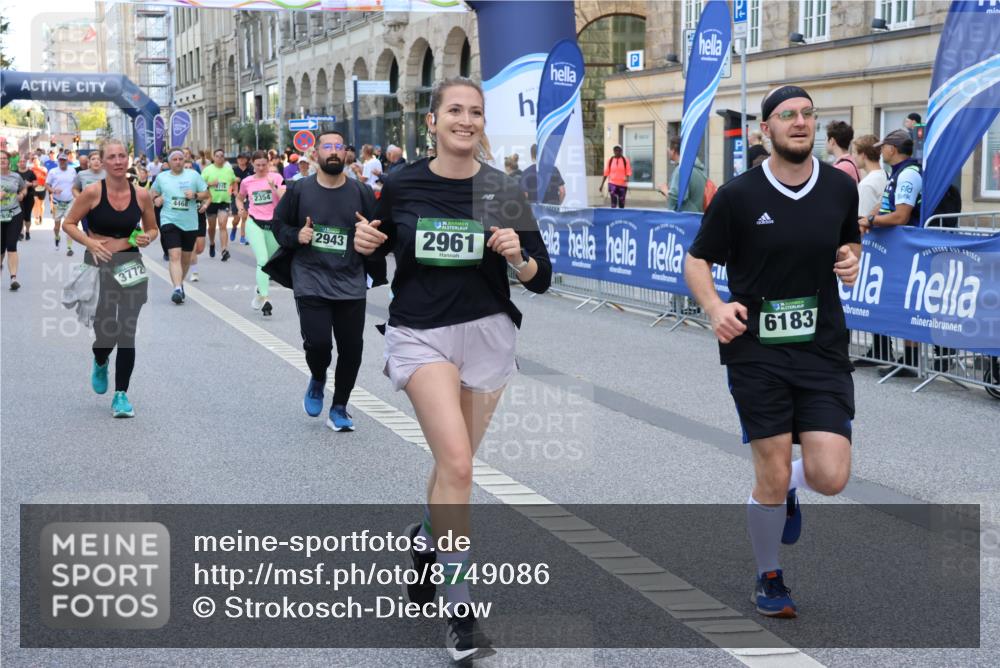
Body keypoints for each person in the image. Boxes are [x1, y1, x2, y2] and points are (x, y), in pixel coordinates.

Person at [354, 76, 552, 661]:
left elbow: (542, 275)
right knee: (460, 464)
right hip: (420, 334)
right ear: (433, 121)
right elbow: (375, 248)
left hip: (489, 333)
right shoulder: (400, 182)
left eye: (476, 112)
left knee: (452, 468)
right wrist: (364, 244)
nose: (466, 120)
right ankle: (460, 610)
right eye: (455, 111)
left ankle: (425, 539)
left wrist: (518, 256)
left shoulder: (503, 187)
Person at [684, 85, 861, 620]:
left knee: (831, 476)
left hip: (822, 345)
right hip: (756, 349)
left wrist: (851, 258)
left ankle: (787, 489)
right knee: (771, 467)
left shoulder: (838, 187)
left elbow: (848, 243)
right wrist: (715, 307)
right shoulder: (738, 196)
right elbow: (697, 262)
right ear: (767, 130)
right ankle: (769, 576)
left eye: (808, 115)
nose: (800, 122)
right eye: (788, 115)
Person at [271, 131, 379, 431]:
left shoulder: (361, 193)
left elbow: (382, 232)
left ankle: (340, 407)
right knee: (318, 344)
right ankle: (318, 377)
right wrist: (297, 235)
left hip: (350, 280)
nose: (333, 152)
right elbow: (279, 225)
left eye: (338, 147)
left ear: (346, 153)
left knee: (351, 349)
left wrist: (370, 237)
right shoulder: (299, 190)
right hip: (310, 277)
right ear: (315, 153)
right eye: (327, 147)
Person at [61, 139, 159, 417]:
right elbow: (68, 224)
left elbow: (152, 229)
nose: (117, 161)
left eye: (121, 156)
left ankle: (121, 395)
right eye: (112, 157)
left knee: (127, 331)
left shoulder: (141, 196)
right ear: (102, 162)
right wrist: (90, 244)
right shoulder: (92, 193)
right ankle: (100, 358)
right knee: (107, 330)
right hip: (99, 265)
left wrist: (147, 237)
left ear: (126, 160)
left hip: (130, 264)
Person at [859, 128, 924, 377]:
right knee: (901, 301)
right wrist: (867, 218)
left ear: (892, 149)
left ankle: (910, 360)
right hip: (898, 248)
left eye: (883, 147)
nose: (880, 152)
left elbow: (900, 215)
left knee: (908, 302)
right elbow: (885, 202)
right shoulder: (897, 173)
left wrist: (871, 221)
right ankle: (905, 358)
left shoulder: (908, 175)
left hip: (907, 248)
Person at [849, 134, 891, 368]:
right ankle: (880, 347)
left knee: (872, 298)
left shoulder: (866, 184)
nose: (854, 158)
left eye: (856, 153)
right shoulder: (885, 176)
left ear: (864, 155)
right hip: (885, 248)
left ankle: (880, 348)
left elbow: (860, 218)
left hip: (872, 247)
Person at [151, 149, 210, 303]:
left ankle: (180, 282)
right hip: (169, 220)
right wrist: (156, 199)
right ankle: (177, 288)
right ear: (169, 162)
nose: (178, 162)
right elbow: (152, 194)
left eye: (180, 159)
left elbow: (207, 194)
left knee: (185, 258)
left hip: (190, 222)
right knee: (174, 255)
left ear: (184, 160)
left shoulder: (193, 175)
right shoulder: (162, 177)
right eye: (174, 159)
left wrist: (196, 195)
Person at [237, 150, 285, 316]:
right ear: (252, 164)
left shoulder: (277, 178)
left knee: (271, 263)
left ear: (269, 163)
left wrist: (274, 188)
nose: (261, 168)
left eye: (264, 164)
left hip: (273, 225)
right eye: (258, 165)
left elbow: (285, 198)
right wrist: (241, 209)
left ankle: (259, 292)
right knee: (263, 260)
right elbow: (239, 197)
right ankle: (265, 298)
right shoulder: (247, 181)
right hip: (254, 223)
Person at [201, 148, 236, 262]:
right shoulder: (207, 170)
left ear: (224, 158)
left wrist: (235, 191)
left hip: (224, 201)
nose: (220, 158)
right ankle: (212, 243)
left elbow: (233, 181)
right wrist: (211, 183)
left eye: (222, 156)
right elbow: (200, 184)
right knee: (211, 227)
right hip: (211, 202)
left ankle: (224, 250)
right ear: (213, 157)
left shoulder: (228, 170)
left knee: (222, 224)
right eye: (217, 156)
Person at [1, 150, 28, 291]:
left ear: (9, 161)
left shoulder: (16, 176)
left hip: (14, 214)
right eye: (0, 158)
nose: (2, 160)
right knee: (0, 248)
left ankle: (13, 278)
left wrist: (22, 194)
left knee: (11, 245)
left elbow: (23, 189)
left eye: (5, 158)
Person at [658, 135, 706, 212]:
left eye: (669, 148)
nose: (667, 151)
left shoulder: (681, 170)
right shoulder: (696, 168)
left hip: (687, 219)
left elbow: (675, 199)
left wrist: (664, 190)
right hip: (699, 217)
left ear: (673, 151)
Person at [46, 153, 78, 256]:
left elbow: (77, 184)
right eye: (61, 160)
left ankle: (69, 248)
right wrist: (53, 190)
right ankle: (57, 236)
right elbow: (47, 185)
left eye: (64, 160)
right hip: (57, 202)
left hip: (70, 202)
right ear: (58, 161)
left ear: (67, 161)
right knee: (57, 226)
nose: (62, 162)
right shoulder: (53, 172)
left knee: (69, 226)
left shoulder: (72, 171)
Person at [72, 152, 107, 238]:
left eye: (98, 159)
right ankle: (93, 248)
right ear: (89, 162)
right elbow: (74, 189)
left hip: (104, 208)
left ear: (102, 162)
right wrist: (80, 198)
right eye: (93, 159)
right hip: (86, 209)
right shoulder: (82, 174)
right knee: (89, 233)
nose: (96, 161)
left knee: (103, 233)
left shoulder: (107, 174)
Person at [231, 152, 253, 245]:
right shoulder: (233, 170)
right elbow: (231, 183)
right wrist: (236, 193)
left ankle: (243, 237)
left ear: (246, 160)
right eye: (239, 158)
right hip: (236, 196)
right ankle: (234, 228)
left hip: (248, 196)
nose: (241, 160)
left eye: (243, 158)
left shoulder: (251, 170)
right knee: (236, 219)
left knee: (244, 217)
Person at [17, 155, 38, 241]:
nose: (22, 163)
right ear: (18, 163)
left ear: (26, 163)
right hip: (18, 197)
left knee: (27, 216)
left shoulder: (31, 173)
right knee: (20, 215)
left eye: (24, 161)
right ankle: (21, 232)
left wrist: (30, 184)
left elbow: (36, 183)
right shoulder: (14, 173)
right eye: (20, 161)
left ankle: (27, 232)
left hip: (29, 196)